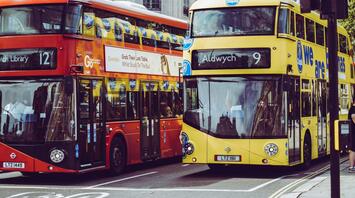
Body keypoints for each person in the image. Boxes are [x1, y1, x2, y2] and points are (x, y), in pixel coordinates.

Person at [348, 97, 355, 172]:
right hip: (353, 132)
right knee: (353, 149)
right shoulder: (353, 108)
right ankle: (351, 167)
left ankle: (352, 166)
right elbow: (353, 117)